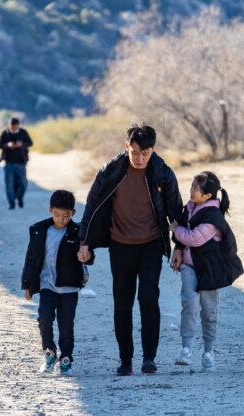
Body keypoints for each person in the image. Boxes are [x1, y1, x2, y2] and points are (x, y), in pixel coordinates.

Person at [77, 123, 184, 376]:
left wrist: (179, 246)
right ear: (127, 146)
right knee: (122, 304)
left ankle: (149, 358)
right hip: (120, 246)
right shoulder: (112, 170)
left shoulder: (162, 172)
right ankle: (125, 360)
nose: (139, 158)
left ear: (153, 150)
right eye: (135, 152)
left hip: (150, 246)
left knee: (149, 300)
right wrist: (84, 241)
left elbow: (176, 212)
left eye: (145, 153)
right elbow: (92, 204)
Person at [169, 171, 243, 370]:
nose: (191, 190)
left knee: (209, 312)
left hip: (210, 269)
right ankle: (186, 349)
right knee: (189, 303)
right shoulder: (190, 207)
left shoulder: (212, 216)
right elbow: (185, 238)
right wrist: (178, 248)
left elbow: (193, 238)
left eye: (196, 188)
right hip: (188, 266)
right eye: (192, 185)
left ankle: (208, 352)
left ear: (207, 196)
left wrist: (175, 230)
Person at [22, 190, 94, 375]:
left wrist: (85, 255)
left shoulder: (79, 232)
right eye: (56, 215)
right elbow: (31, 259)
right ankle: (50, 353)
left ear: (73, 213)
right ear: (50, 210)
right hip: (47, 286)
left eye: (66, 216)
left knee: (66, 325)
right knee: (44, 319)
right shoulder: (39, 230)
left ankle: (66, 359)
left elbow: (89, 256)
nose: (61, 219)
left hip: (69, 288)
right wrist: (29, 285)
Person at [0, 117, 33, 209]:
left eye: (15, 127)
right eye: (12, 127)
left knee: (23, 183)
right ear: (9, 125)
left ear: (18, 125)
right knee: (9, 184)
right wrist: (7, 145)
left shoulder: (23, 132)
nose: (13, 128)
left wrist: (21, 144)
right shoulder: (5, 133)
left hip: (21, 163)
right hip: (8, 163)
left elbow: (30, 143)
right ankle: (11, 203)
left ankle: (20, 197)